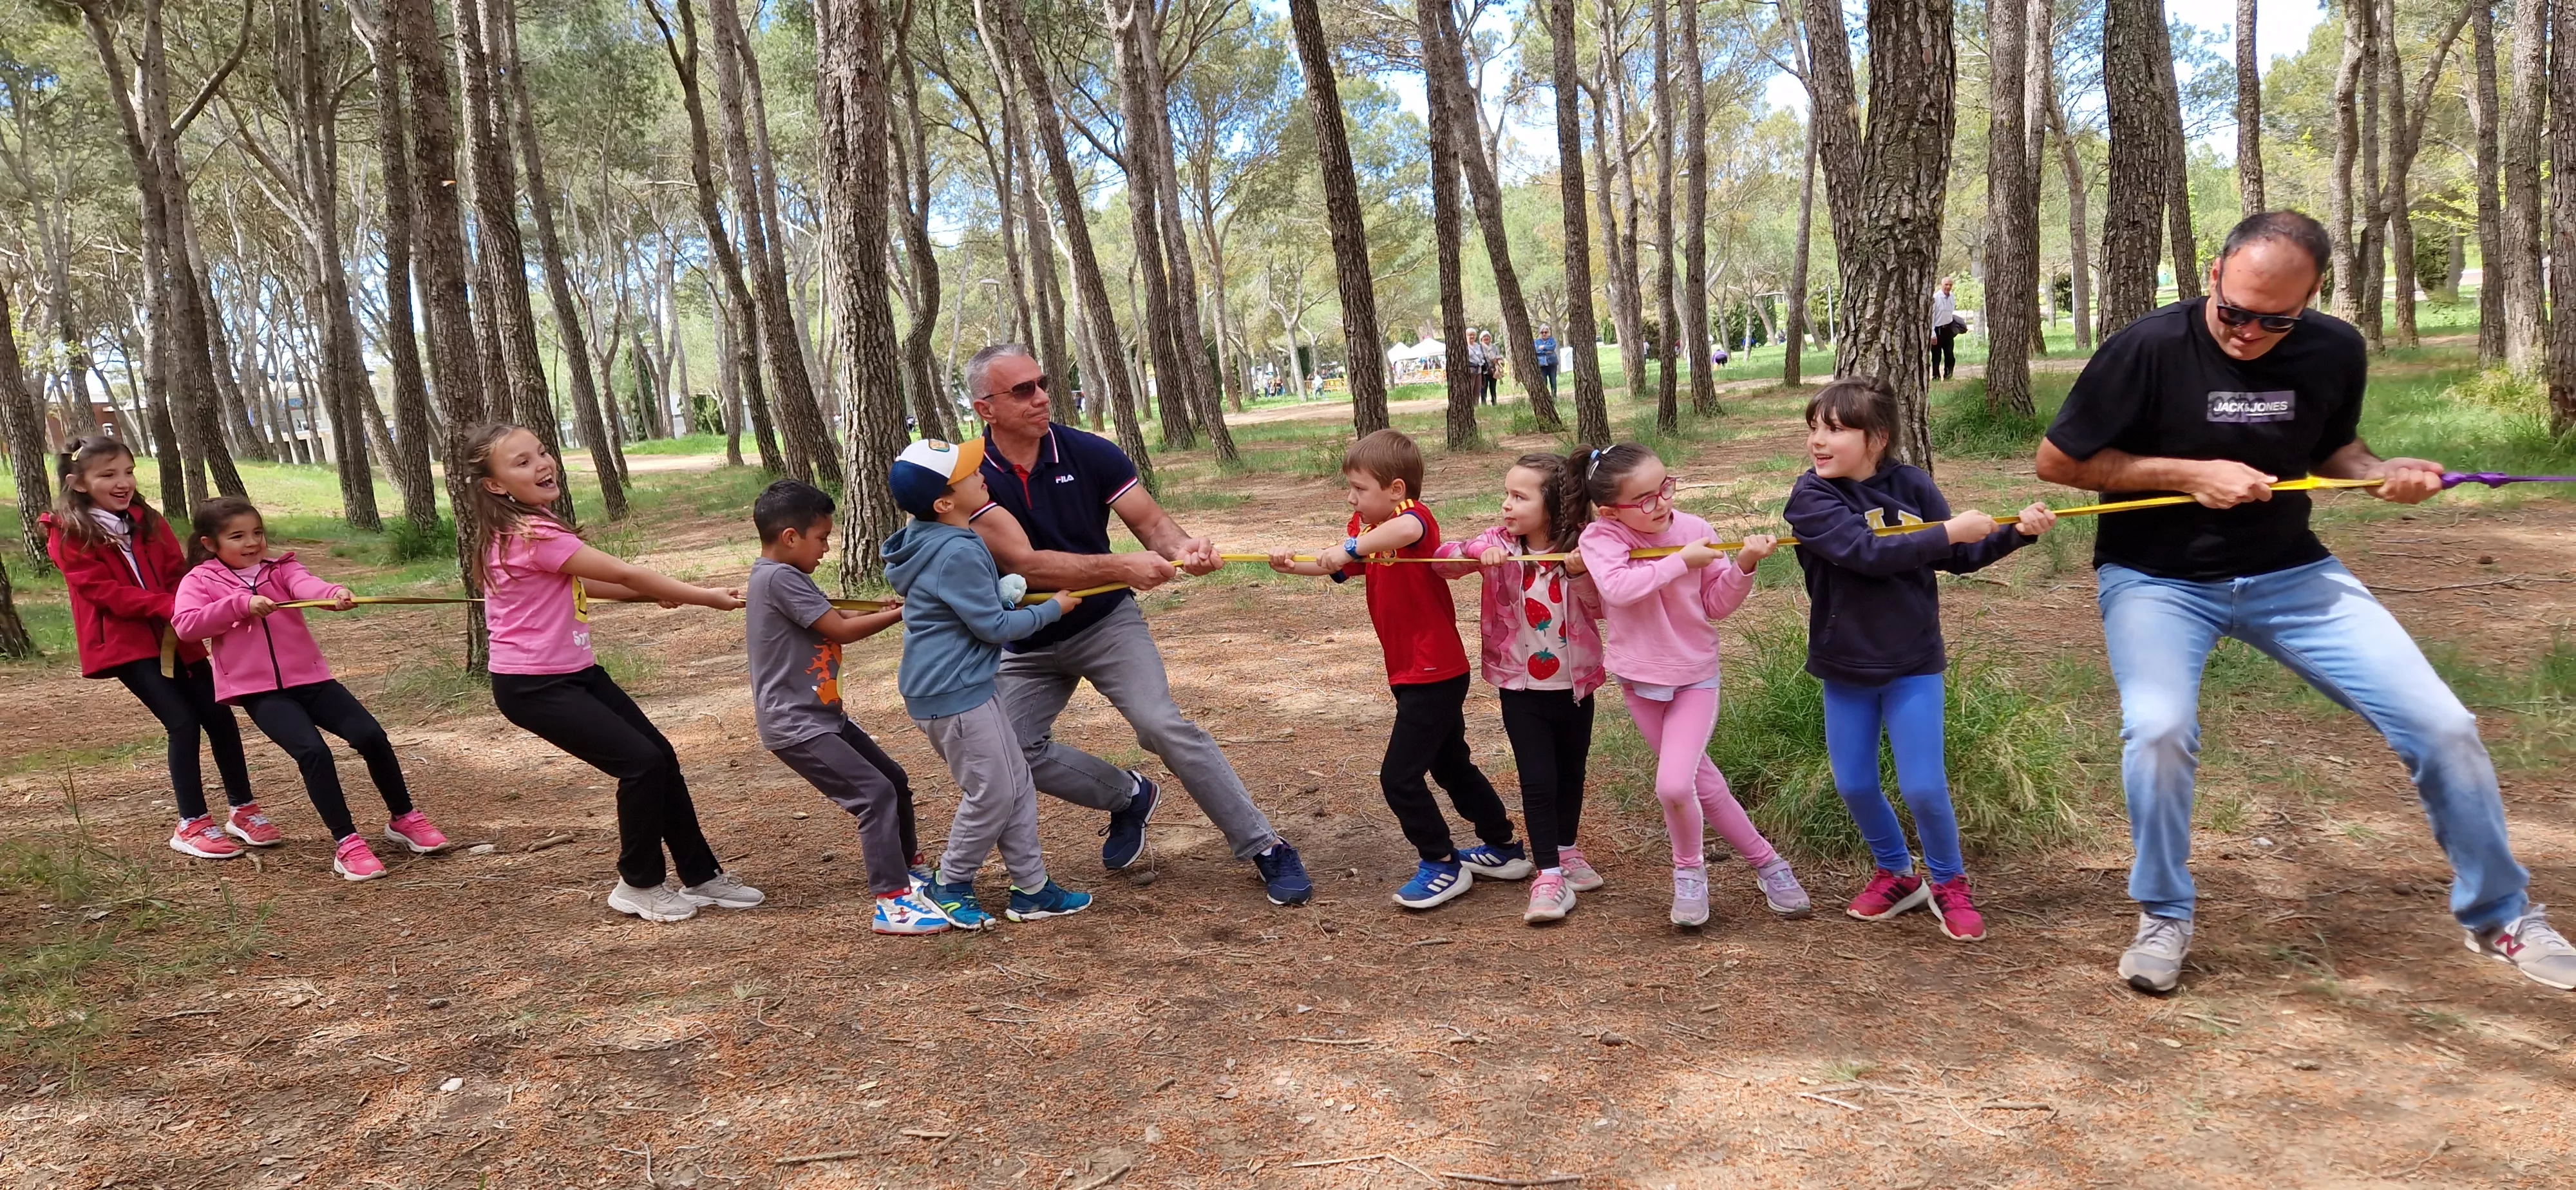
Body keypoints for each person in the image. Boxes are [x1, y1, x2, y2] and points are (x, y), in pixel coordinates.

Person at [2036, 209, 2575, 994]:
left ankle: (2498, 915)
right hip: (2156, 579)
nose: (2248, 334)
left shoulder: (2333, 349)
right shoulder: (2147, 347)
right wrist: (2188, 474)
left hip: (2289, 572)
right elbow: (2058, 463)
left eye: (2275, 321)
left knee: (2443, 725)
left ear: (2312, 297)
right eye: (2234, 312)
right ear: (2213, 274)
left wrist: (2383, 474)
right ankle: (2163, 912)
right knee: (2157, 730)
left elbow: (2339, 451)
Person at [960, 344, 1312, 906]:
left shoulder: (1089, 452)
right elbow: (1026, 565)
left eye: (1042, 383)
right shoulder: (967, 476)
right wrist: (1122, 567)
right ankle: (1128, 797)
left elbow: (1153, 525)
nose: (1042, 397)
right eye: (1022, 390)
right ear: (985, 409)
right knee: (1010, 753)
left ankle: (1265, 845)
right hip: (1024, 638)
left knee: (1161, 725)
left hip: (1105, 624)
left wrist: (1185, 549)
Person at [1783, 379, 2058, 942]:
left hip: (1913, 661)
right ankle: (1897, 875)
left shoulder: (1912, 485)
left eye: (1835, 429)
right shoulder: (1811, 498)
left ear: (1877, 438)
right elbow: (1864, 552)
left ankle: (1950, 882)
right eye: (1814, 428)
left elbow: (1960, 556)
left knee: (1924, 787)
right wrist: (1946, 532)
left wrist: (2016, 533)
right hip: (1846, 664)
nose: (1818, 441)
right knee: (1855, 784)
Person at [467, 422, 759, 925]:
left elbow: (585, 583)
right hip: (533, 685)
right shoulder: (530, 533)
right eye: (522, 462)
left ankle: (700, 874)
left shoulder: (531, 526)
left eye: (542, 452)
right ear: (495, 484)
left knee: (659, 756)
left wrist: (655, 593)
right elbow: (622, 572)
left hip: (575, 673)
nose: (542, 464)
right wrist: (701, 596)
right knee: (640, 763)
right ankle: (638, 884)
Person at [1269, 430, 1528, 910]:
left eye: (1359, 488)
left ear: (1395, 490)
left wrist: (1351, 547)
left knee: (1399, 777)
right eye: (1350, 488)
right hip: (1410, 672)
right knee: (1451, 764)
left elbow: (1404, 533)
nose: (1351, 498)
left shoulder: (1412, 517)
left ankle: (1442, 862)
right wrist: (1294, 565)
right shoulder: (1367, 530)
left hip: (1435, 671)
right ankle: (1503, 847)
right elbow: (1338, 565)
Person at [1578, 443, 1811, 927]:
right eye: (1645, 499)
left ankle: (1690, 870)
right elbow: (1618, 588)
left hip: (1694, 678)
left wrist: (1744, 565)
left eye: (1665, 487)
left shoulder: (1696, 530)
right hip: (1639, 680)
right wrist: (1680, 561)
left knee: (1674, 784)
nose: (1662, 503)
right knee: (1700, 783)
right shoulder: (1601, 537)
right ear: (1609, 510)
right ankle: (1768, 863)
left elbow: (1716, 605)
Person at [170, 498, 449, 882]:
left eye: (257, 533)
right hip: (260, 692)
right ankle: (347, 843)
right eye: (237, 536)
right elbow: (186, 626)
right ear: (210, 543)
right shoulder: (200, 580)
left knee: (370, 736)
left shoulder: (281, 568)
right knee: (314, 752)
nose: (251, 543)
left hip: (312, 679)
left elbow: (307, 585)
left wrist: (333, 593)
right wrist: (240, 605)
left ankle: (404, 818)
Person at [884, 437, 1093, 929]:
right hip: (952, 695)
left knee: (1016, 783)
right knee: (993, 792)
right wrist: (1052, 609)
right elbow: (994, 628)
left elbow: (960, 604)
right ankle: (951, 883)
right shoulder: (956, 550)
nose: (982, 474)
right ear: (945, 503)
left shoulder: (931, 536)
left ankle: (1032, 889)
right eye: (969, 474)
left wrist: (1001, 592)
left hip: (969, 686)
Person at [743, 480, 951, 936]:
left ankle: (908, 869)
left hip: (822, 716)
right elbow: (841, 631)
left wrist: (878, 611)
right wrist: (906, 612)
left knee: (893, 780)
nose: (826, 547)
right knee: (873, 795)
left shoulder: (787, 576)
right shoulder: (778, 578)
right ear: (790, 537)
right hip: (796, 724)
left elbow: (831, 620)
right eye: (821, 538)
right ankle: (892, 902)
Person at [45, 437, 264, 861]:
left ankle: (243, 810)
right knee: (182, 723)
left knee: (220, 716)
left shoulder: (147, 520)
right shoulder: (68, 532)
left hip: (177, 635)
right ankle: (192, 823)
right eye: (108, 475)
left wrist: (194, 602)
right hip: (125, 644)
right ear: (79, 483)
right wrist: (170, 605)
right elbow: (102, 592)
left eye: (128, 472)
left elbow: (176, 571)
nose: (122, 482)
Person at [1432, 452, 1605, 923]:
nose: (1506, 505)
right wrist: (1475, 552)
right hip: (1521, 688)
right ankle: (1548, 875)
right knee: (1538, 779)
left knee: (1571, 772)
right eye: (1506, 495)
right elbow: (1441, 563)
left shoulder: (1586, 546)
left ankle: (1566, 849)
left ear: (1553, 504)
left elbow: (1603, 608)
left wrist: (1579, 572)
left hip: (1577, 684)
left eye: (1519, 497)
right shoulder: (1498, 543)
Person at [1929, 278, 1964, 380]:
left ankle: (1948, 375)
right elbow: (1931, 317)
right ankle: (1936, 377)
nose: (1948, 287)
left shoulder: (1952, 296)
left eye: (1950, 285)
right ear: (1941, 285)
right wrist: (1932, 334)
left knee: (1949, 354)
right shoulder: (1936, 298)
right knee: (1936, 355)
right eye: (1946, 284)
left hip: (1948, 329)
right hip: (1938, 330)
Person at [1533, 325, 1559, 400]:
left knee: (1553, 382)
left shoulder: (1552, 340)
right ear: (1540, 333)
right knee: (1544, 382)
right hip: (1542, 365)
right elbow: (1537, 351)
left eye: (1546, 332)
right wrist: (1547, 351)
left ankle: (1554, 398)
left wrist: (1543, 347)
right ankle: (1546, 398)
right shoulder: (1536, 342)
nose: (1544, 334)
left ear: (1548, 333)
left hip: (1552, 364)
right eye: (1542, 332)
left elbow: (1553, 347)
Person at [1479, 330, 1502, 405]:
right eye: (1484, 337)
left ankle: (1494, 402)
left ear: (1490, 338)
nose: (1486, 338)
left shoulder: (1494, 347)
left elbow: (1499, 356)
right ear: (1481, 339)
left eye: (1487, 336)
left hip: (1493, 371)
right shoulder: (1479, 348)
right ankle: (1484, 404)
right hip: (1484, 371)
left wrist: (1497, 359)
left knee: (1493, 388)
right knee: (1484, 388)